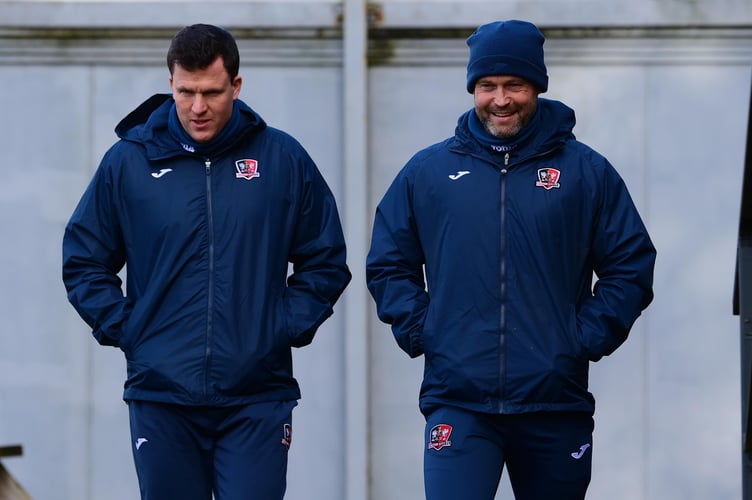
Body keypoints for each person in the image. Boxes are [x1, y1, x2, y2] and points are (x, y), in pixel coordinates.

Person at [366, 19, 656, 500]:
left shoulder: (585, 172)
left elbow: (631, 264)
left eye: (514, 85)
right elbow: (388, 262)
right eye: (487, 86)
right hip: (458, 401)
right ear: (473, 89)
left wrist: (581, 338)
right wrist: (425, 330)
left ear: (537, 87)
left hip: (554, 403)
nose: (500, 99)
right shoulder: (429, 172)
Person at [62, 24, 351, 500]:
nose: (198, 107)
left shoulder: (282, 159)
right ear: (170, 82)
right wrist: (131, 329)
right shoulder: (128, 162)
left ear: (236, 86)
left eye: (212, 93)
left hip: (257, 396)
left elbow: (324, 260)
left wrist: (278, 328)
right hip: (162, 396)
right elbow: (84, 261)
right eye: (185, 92)